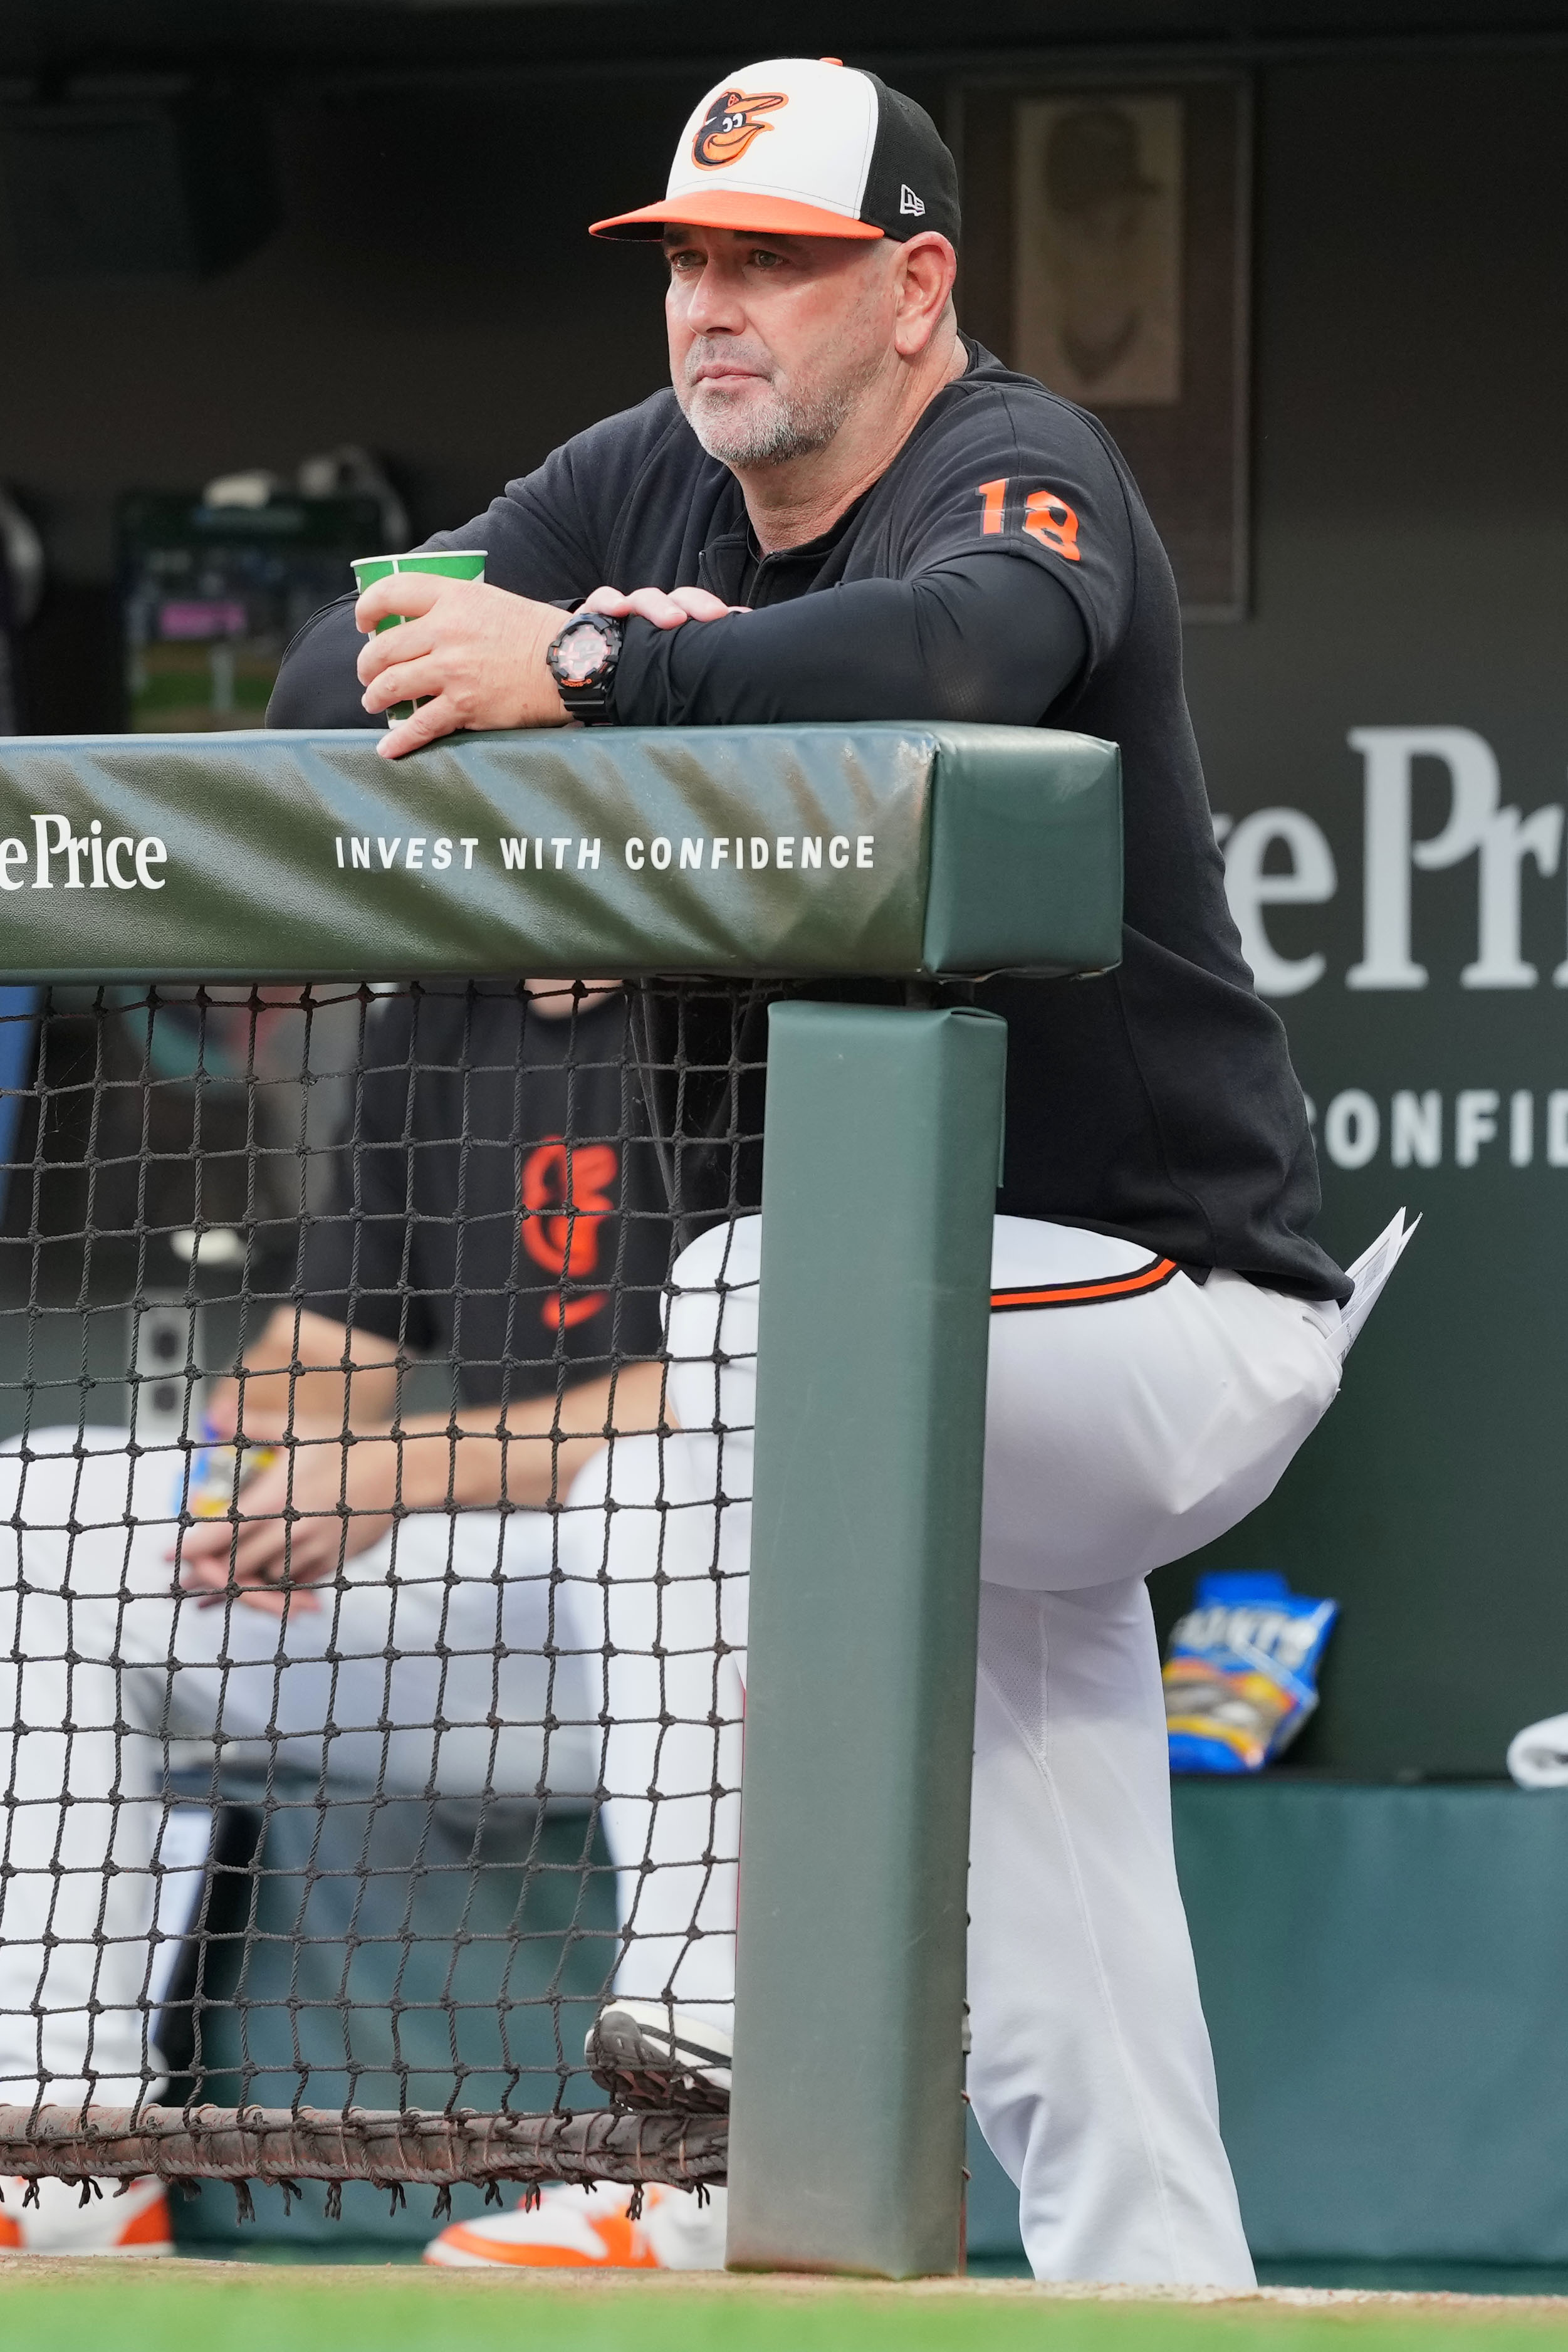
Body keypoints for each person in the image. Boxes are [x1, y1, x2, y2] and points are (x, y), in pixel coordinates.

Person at [268, 56, 1409, 2283]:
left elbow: (964, 647)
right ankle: (1169, 2305)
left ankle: (702, 2099)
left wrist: (592, 672)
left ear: (912, 286)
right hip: (938, 1378)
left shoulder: (1010, 459)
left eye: (773, 261)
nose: (716, 306)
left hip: (1164, 1317)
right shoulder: (641, 484)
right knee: (1070, 1968)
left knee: (748, 1310)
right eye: (688, 258)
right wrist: (583, 667)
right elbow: (347, 654)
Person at [0, 979, 676, 2257]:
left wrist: (393, 1469)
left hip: (728, 1625)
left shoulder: (736, 1001)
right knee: (38, 1510)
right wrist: (233, 1487)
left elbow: (763, 1387)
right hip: (498, 1626)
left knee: (648, 1498)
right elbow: (336, 1345)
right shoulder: (448, 1003)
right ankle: (64, 2157)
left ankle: (691, 2169)